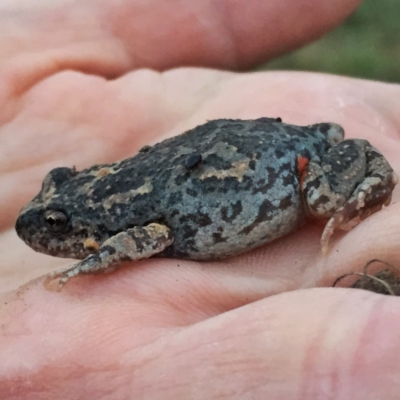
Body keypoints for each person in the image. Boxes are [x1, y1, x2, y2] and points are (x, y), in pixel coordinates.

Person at [1, 0, 399, 398]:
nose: (46, 229)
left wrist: (98, 262)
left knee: (325, 199)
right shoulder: (122, 198)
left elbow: (151, 236)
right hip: (247, 149)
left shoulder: (125, 213)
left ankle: (375, 174)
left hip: (295, 156)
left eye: (57, 223)